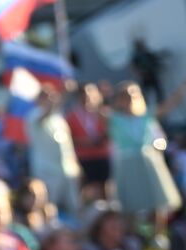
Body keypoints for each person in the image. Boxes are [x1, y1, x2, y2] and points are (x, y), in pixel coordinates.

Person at [109, 82, 185, 232]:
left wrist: (181, 90)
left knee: (157, 200)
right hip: (127, 164)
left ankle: (158, 234)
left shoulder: (146, 117)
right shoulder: (113, 119)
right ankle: (132, 234)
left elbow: (167, 107)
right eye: (125, 96)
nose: (129, 99)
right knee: (130, 203)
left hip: (148, 162)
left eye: (132, 95)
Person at [28, 90, 82, 224]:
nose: (49, 100)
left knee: (74, 206)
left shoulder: (59, 118)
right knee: (49, 206)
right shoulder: (32, 116)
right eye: (46, 97)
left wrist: (75, 166)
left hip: (67, 171)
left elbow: (67, 145)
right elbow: (42, 118)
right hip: (47, 171)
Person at [67, 84, 111, 204]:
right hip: (84, 157)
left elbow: (111, 132)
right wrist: (87, 142)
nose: (86, 98)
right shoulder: (72, 116)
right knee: (88, 189)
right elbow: (69, 139)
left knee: (105, 187)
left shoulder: (103, 113)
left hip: (102, 155)